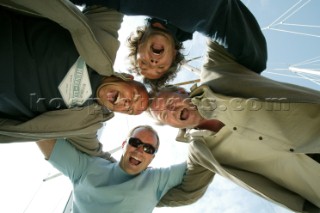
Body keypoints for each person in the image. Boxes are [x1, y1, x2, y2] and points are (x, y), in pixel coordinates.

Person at [148, 38, 320, 212]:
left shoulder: (215, 73)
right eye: (164, 115)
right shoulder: (200, 153)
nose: (171, 110)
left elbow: (221, 21)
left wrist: (165, 34)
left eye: (169, 101)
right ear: (169, 125)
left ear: (182, 92)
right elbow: (186, 193)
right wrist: (124, 195)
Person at [0, 1, 149, 158]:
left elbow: (96, 159)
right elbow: (115, 4)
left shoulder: (86, 124)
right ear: (128, 78)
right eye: (134, 96)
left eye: (129, 110)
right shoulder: (103, 43)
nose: (127, 104)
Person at [71, 0, 267, 89]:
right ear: (174, 54)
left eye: (145, 64)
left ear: (139, 46)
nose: (154, 62)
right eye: (161, 66)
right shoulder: (211, 20)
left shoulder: (125, 3)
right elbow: (253, 58)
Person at [36, 125, 214, 212]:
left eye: (148, 149)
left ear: (152, 157)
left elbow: (198, 162)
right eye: (135, 142)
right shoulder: (89, 166)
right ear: (124, 145)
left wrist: (195, 131)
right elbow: (39, 134)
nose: (139, 150)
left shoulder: (156, 180)